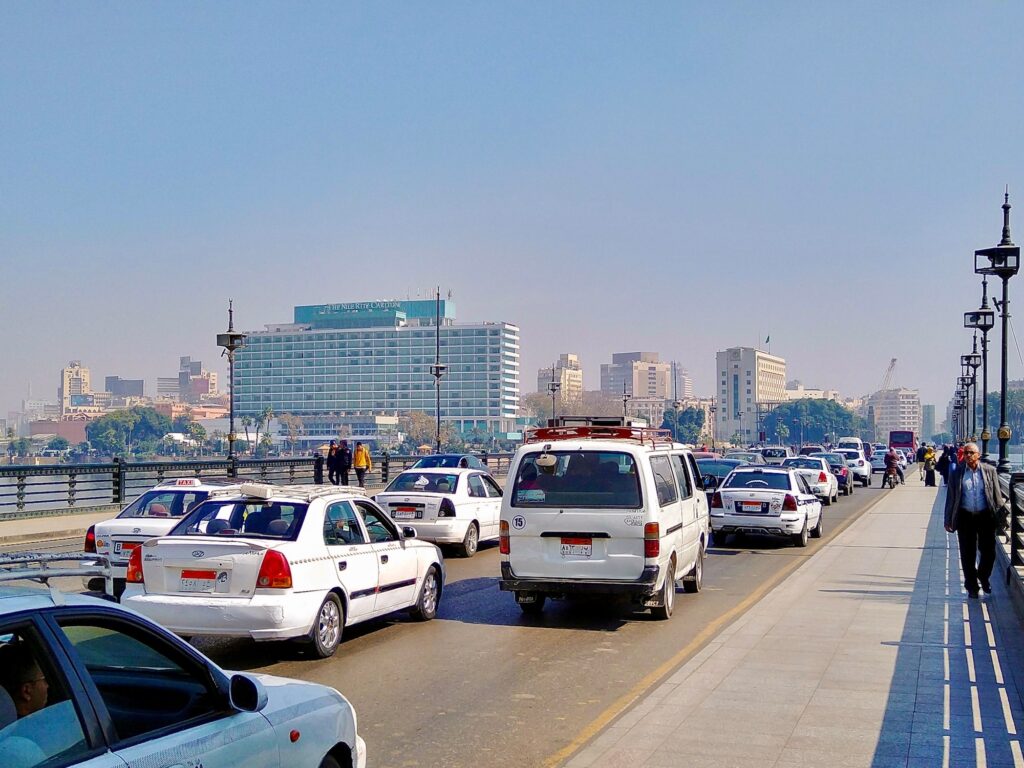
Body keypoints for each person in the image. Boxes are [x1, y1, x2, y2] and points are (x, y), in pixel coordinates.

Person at [944, 442, 1007, 598]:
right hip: (965, 516)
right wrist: (948, 519)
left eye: (971, 452)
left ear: (978, 455)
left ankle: (983, 577)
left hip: (985, 516)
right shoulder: (957, 473)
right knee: (967, 553)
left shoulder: (989, 471)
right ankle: (972, 586)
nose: (968, 455)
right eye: (966, 453)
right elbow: (951, 498)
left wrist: (1002, 518)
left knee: (989, 552)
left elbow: (997, 497)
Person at [0, 643, 49, 718]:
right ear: (26, 691)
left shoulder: (5, 723)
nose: (47, 686)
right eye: (44, 679)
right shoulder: (39, 726)